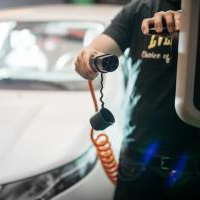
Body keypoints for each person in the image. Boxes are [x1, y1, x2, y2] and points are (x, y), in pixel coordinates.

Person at [75, 0, 200, 199]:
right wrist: (89, 58)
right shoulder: (139, 10)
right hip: (138, 160)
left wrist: (193, 26)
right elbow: (97, 49)